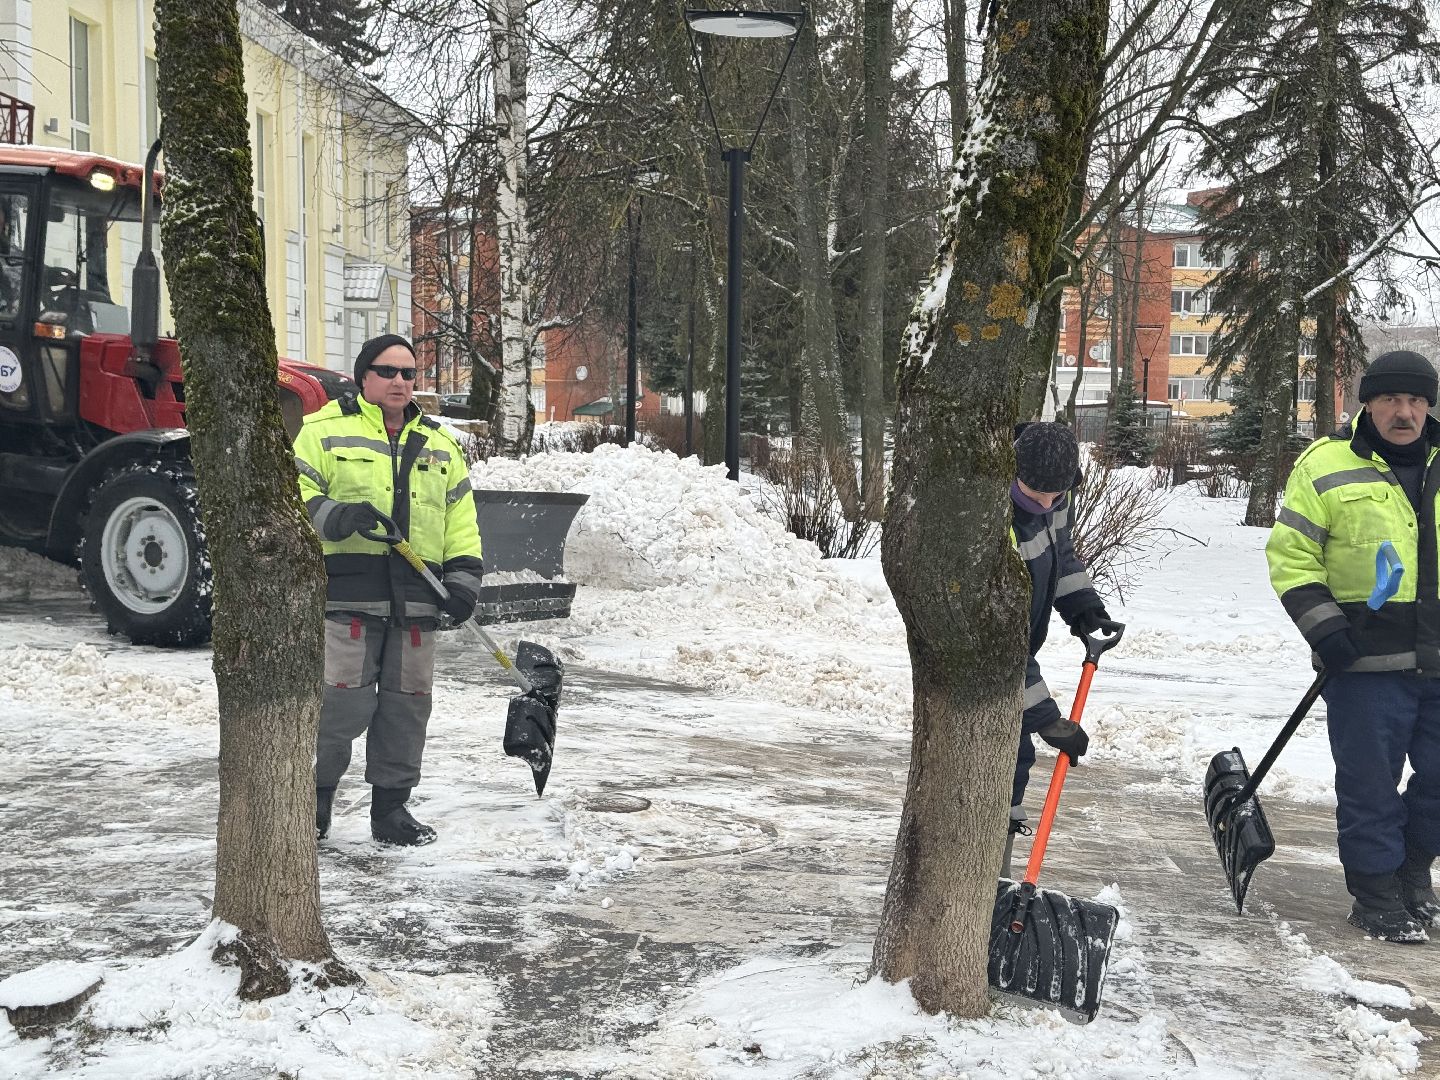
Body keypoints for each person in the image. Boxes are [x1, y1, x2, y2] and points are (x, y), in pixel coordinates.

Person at [1267, 349, 1440, 943]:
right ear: (1367, 403)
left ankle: (1412, 871)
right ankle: (1376, 893)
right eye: (1391, 399)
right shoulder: (1325, 465)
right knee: (1370, 785)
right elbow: (1291, 557)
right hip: (1363, 663)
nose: (1404, 412)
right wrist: (1326, 630)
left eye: (1415, 400)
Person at [294, 333, 485, 847]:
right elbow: (294, 492)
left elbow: (460, 522)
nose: (400, 381)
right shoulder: (324, 431)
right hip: (348, 596)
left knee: (407, 706)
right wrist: (338, 515)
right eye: (387, 371)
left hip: (418, 596)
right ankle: (315, 798)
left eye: (408, 373)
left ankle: (391, 810)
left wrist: (463, 582)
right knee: (340, 703)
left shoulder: (441, 445)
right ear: (364, 376)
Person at [1004, 422, 1118, 876]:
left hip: (1017, 653)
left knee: (1015, 759)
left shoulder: (1054, 495)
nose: (1047, 503)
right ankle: (989, 877)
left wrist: (1083, 606)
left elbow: (1061, 553)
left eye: (1057, 495)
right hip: (986, 667)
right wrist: (1047, 719)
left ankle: (998, 876)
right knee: (1002, 764)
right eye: (1036, 494)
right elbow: (997, 645)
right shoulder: (997, 522)